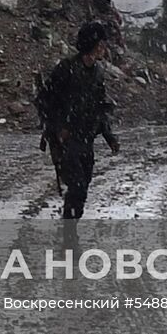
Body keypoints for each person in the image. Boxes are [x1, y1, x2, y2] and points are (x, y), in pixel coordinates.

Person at [35, 20, 121, 219]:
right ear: (91, 44)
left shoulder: (97, 73)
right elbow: (45, 101)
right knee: (77, 185)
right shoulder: (66, 69)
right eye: (100, 44)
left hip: (86, 139)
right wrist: (58, 128)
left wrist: (110, 137)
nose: (103, 48)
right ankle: (68, 234)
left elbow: (100, 108)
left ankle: (71, 230)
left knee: (83, 189)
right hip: (66, 140)